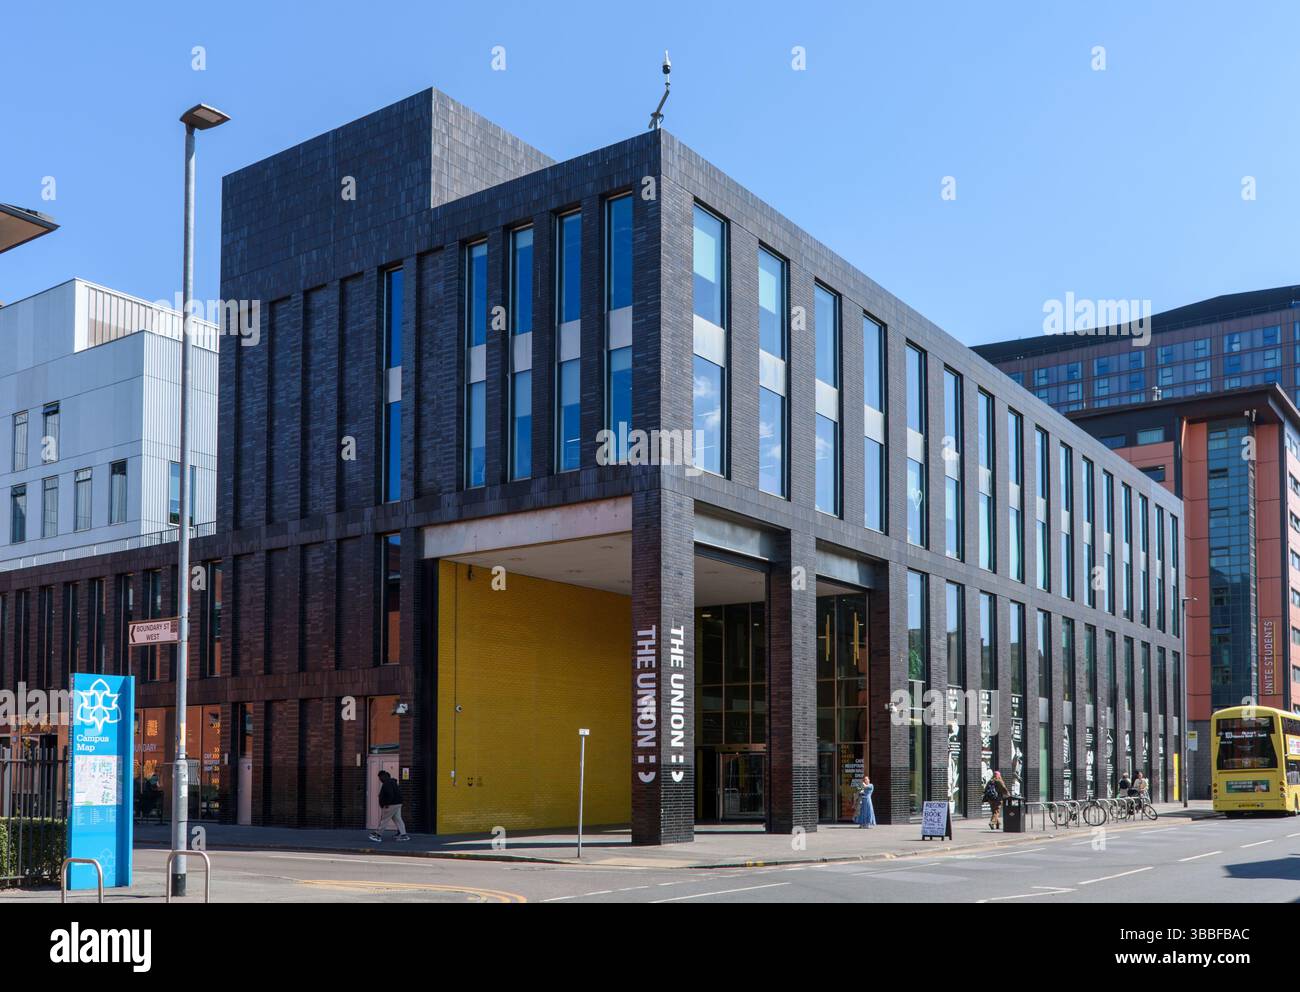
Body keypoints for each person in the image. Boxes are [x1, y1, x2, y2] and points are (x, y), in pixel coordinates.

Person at [369, 770, 409, 843]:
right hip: (398, 803)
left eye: (380, 777)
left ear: (383, 776)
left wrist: (386, 803)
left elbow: (390, 795)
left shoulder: (387, 784)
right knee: (398, 819)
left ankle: (378, 835)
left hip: (391, 805)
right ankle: (403, 835)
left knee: (384, 819)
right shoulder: (393, 782)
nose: (380, 779)